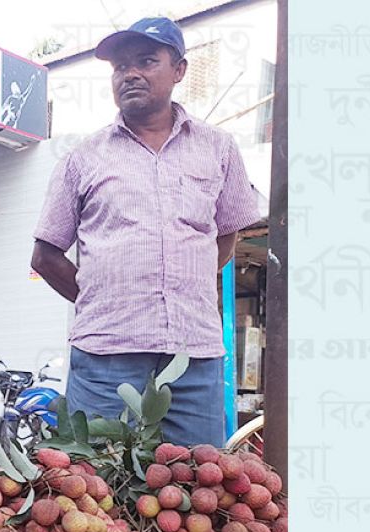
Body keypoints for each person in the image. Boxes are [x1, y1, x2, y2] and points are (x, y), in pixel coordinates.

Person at [30, 18, 261, 447]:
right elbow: (44, 256)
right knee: (93, 488)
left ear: (179, 70)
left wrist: (182, 284)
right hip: (105, 358)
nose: (130, 73)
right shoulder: (82, 157)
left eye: (146, 61)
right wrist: (107, 299)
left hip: (194, 357)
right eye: (119, 67)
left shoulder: (219, 148)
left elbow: (226, 233)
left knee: (195, 484)